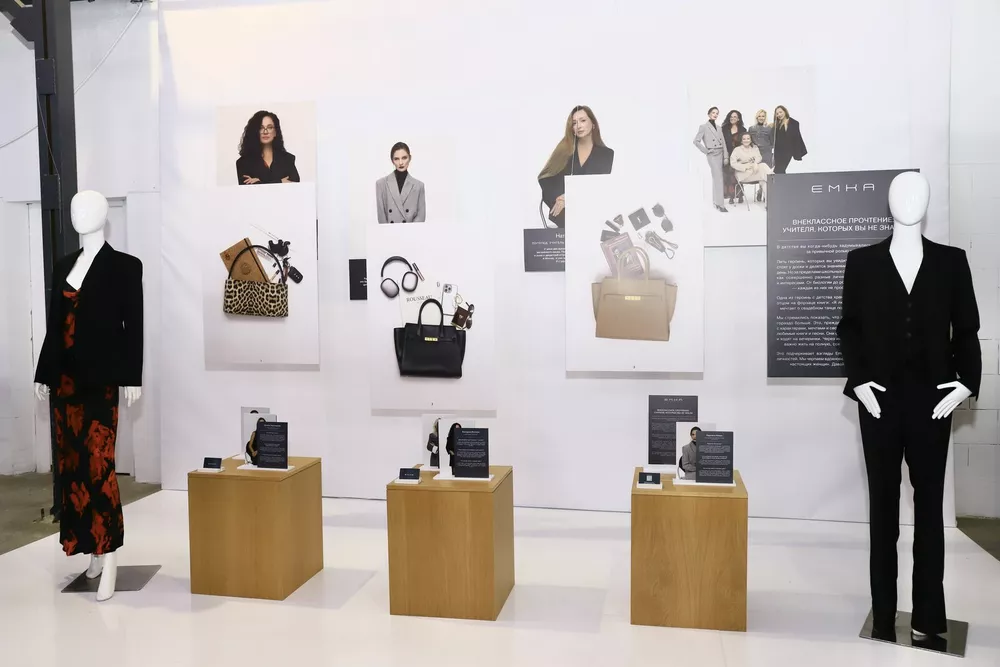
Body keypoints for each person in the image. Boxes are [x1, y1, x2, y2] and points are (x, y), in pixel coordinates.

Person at [537, 105, 614, 228]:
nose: (578, 126)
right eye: (574, 123)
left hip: (593, 217)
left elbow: (600, 187)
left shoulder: (606, 154)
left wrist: (570, 196)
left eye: (583, 120)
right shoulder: (565, 150)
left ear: (593, 124)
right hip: (565, 219)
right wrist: (559, 199)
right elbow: (545, 178)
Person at [236, 111, 300, 185]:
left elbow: (295, 185)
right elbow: (247, 188)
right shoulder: (243, 163)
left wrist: (260, 182)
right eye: (261, 128)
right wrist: (280, 181)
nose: (265, 132)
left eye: (270, 127)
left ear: (275, 132)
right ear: (255, 132)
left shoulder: (288, 159)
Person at [376, 142, 426, 224]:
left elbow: (420, 217)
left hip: (411, 231)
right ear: (392, 160)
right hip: (389, 231)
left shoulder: (419, 186)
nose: (400, 163)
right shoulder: (381, 184)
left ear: (410, 158)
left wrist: (408, 230)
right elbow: (382, 219)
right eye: (396, 159)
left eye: (404, 158)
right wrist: (388, 231)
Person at [692, 107, 729, 213]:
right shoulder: (703, 127)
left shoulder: (719, 128)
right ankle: (720, 205)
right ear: (709, 114)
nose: (715, 115)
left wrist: (726, 156)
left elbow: (723, 143)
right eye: (713, 113)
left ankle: (716, 202)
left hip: (721, 153)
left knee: (717, 178)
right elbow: (696, 141)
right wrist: (706, 151)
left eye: (717, 113)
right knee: (718, 178)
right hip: (712, 155)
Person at [729, 132, 774, 205]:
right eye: (744, 139)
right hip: (742, 174)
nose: (746, 140)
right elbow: (733, 163)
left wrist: (755, 163)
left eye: (748, 138)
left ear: (750, 140)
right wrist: (747, 166)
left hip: (753, 172)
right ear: (741, 140)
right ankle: (772, 176)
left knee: (763, 178)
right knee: (764, 172)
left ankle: (768, 203)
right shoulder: (737, 150)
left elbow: (759, 157)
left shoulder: (754, 148)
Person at [772, 105, 807, 174]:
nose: (779, 115)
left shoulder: (793, 123)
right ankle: (782, 181)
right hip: (778, 151)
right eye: (777, 113)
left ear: (785, 112)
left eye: (780, 112)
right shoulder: (777, 124)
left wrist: (786, 127)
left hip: (787, 151)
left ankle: (782, 181)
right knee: (779, 170)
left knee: (779, 169)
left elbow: (795, 138)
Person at [722, 110, 746, 205]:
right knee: (729, 176)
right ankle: (731, 197)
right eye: (731, 116)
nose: (733, 118)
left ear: (738, 118)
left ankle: (740, 195)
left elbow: (745, 143)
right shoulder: (724, 129)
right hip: (727, 155)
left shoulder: (743, 130)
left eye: (735, 116)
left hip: (739, 156)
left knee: (738, 176)